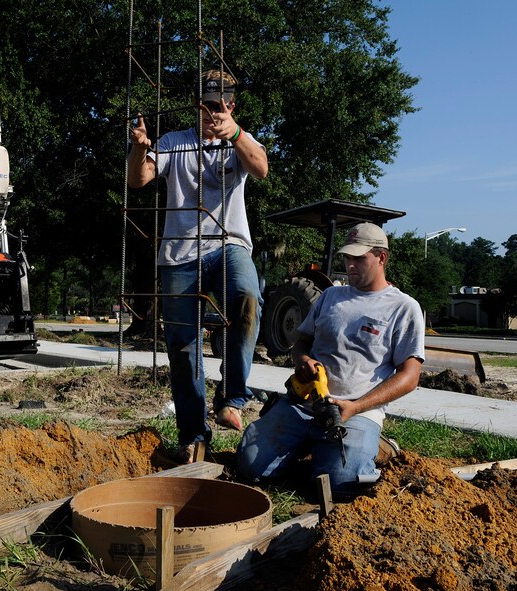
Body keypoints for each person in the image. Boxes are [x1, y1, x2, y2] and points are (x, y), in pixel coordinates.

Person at [127, 70, 269, 463]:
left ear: (231, 106)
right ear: (196, 106)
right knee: (183, 347)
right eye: (206, 106)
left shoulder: (240, 140)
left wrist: (236, 134)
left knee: (245, 295)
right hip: (179, 254)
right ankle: (194, 434)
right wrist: (140, 147)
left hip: (227, 245)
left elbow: (261, 169)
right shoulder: (174, 142)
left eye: (220, 106)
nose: (212, 113)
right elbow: (139, 180)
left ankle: (233, 397)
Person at [236, 222, 425, 495]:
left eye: (358, 259)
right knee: (250, 465)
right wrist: (302, 360)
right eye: (347, 258)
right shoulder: (330, 297)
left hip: (355, 413)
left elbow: (410, 377)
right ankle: (313, 447)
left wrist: (356, 406)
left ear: (381, 257)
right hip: (303, 404)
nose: (350, 265)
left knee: (341, 485)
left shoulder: (403, 308)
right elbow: (301, 342)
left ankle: (377, 445)